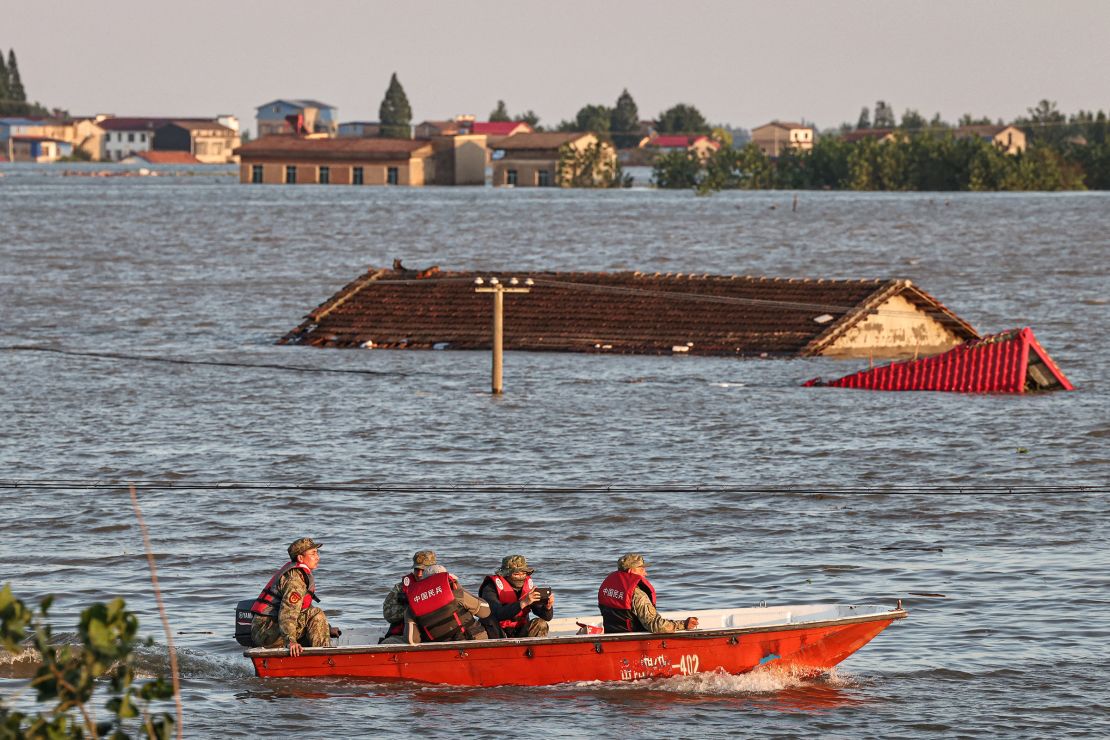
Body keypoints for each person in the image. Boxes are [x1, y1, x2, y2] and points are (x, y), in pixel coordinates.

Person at [250, 537, 339, 656]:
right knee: (317, 613)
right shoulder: (295, 579)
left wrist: (327, 628)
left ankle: (320, 657)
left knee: (315, 613)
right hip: (266, 631)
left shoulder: (300, 574)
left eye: (317, 553)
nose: (318, 557)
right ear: (300, 558)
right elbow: (288, 612)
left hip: (270, 629)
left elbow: (304, 609)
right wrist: (290, 641)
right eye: (313, 553)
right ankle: (325, 659)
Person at [597, 553, 699, 634]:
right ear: (630, 571)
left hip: (613, 635)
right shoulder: (638, 595)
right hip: (633, 640)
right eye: (641, 569)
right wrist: (684, 624)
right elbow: (655, 625)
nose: (645, 573)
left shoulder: (607, 589)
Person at [402, 564, 491, 643]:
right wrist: (459, 588)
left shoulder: (412, 607)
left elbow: (412, 639)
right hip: (473, 639)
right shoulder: (456, 594)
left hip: (441, 648)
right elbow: (485, 612)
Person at [478, 555, 554, 639]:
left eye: (524, 573)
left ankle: (531, 650)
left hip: (520, 631)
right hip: (497, 632)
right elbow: (497, 613)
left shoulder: (528, 587)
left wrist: (548, 607)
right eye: (516, 574)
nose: (521, 577)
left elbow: (547, 617)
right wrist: (523, 602)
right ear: (506, 574)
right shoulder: (490, 588)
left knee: (541, 623)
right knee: (489, 621)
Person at [380, 550, 437, 644]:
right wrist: (411, 608)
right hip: (405, 635)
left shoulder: (442, 587)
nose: (419, 574)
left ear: (433, 569)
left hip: (435, 635)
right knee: (386, 644)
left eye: (423, 570)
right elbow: (388, 615)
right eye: (416, 569)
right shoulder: (401, 588)